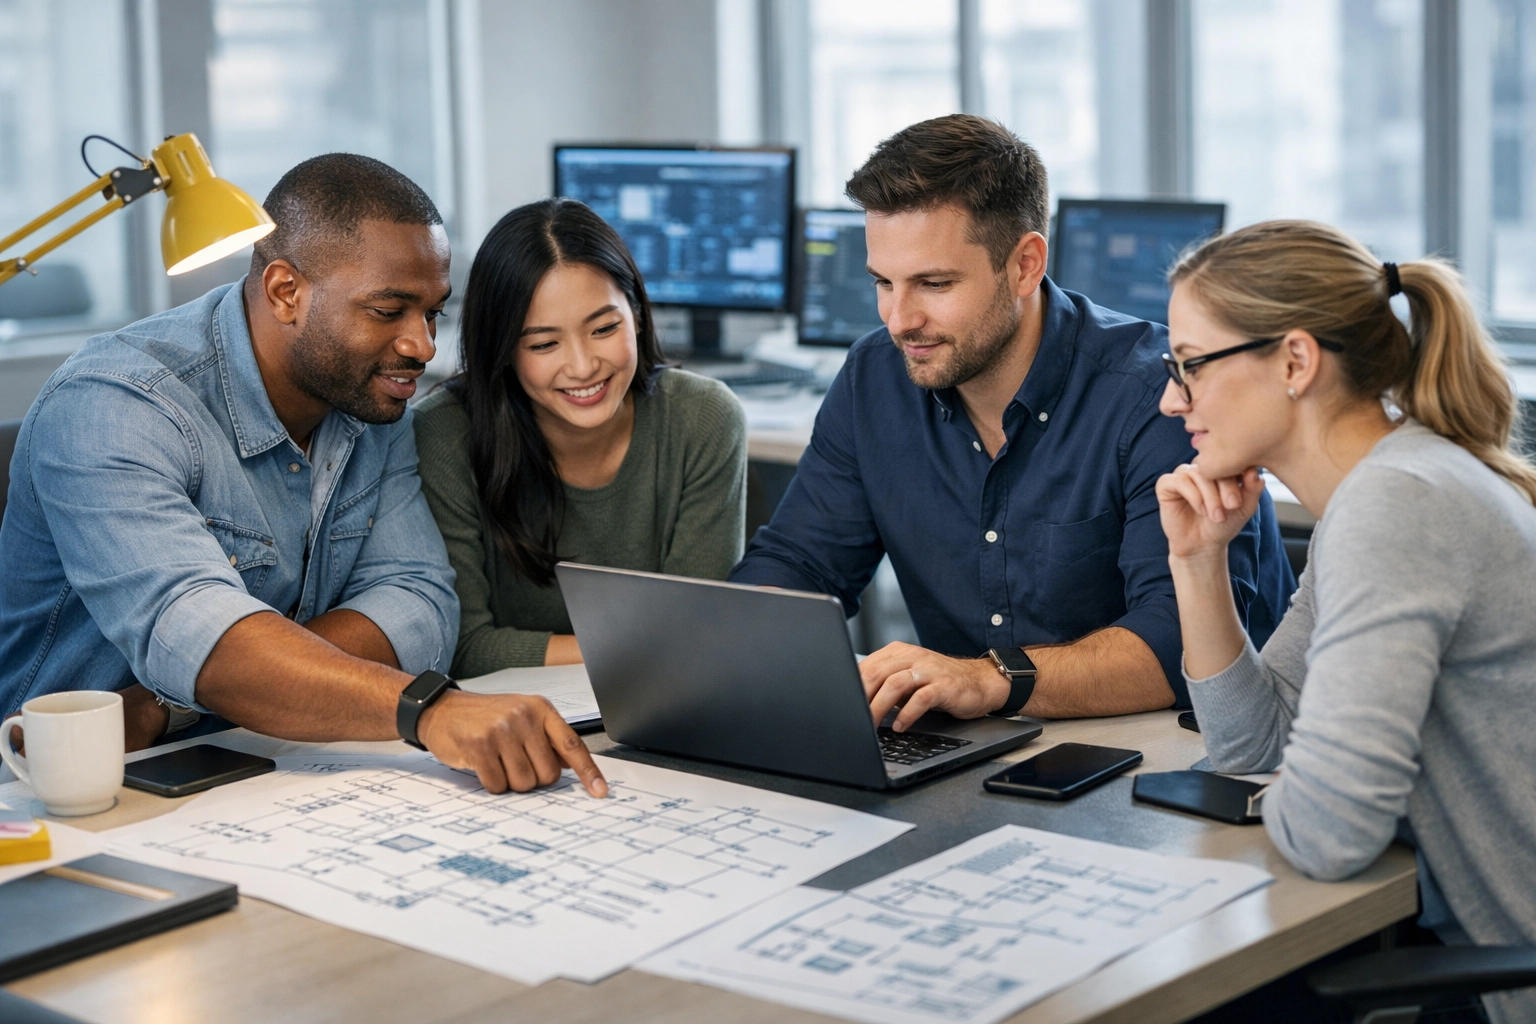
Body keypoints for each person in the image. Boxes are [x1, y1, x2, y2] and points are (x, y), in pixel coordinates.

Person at [0, 155, 606, 798]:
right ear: (285, 290)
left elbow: (420, 606)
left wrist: (188, 697)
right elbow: (205, 641)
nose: (423, 346)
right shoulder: (115, 404)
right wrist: (426, 709)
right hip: (64, 794)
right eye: (388, 310)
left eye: (433, 313)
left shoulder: (371, 397)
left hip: (260, 764)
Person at [731, 114, 1294, 727]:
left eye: (934, 283)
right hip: (972, 746)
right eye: (883, 284)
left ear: (1025, 265)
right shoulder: (876, 378)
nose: (898, 320)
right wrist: (738, 639)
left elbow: (1176, 638)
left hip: (1176, 753)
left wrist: (989, 677)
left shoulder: (1158, 398)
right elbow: (801, 564)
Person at [1155, 220, 1536, 1022]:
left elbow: (1329, 832)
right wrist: (1197, 563)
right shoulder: (1382, 492)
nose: (1169, 398)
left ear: (1295, 361)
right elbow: (1252, 750)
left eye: (1189, 366)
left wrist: (1313, 783)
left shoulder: (1397, 506)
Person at [413, 198, 747, 674]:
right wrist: (648, 648)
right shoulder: (445, 434)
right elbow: (462, 647)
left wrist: (672, 646)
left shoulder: (703, 418)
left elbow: (694, 632)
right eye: (544, 344)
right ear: (503, 348)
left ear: (635, 311)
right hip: (503, 717)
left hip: (663, 706)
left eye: (604, 328)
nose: (584, 366)